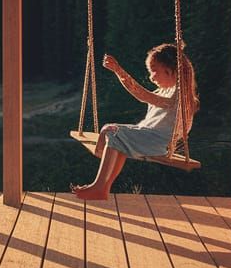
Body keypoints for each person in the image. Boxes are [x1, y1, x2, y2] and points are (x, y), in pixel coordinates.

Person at [70, 43, 199, 200]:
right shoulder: (168, 91)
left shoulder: (179, 95)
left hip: (157, 141)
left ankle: (98, 186)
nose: (151, 77)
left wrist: (118, 70)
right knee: (111, 132)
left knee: (113, 132)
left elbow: (142, 95)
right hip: (151, 137)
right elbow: (143, 94)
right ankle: (103, 187)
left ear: (170, 71)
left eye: (154, 72)